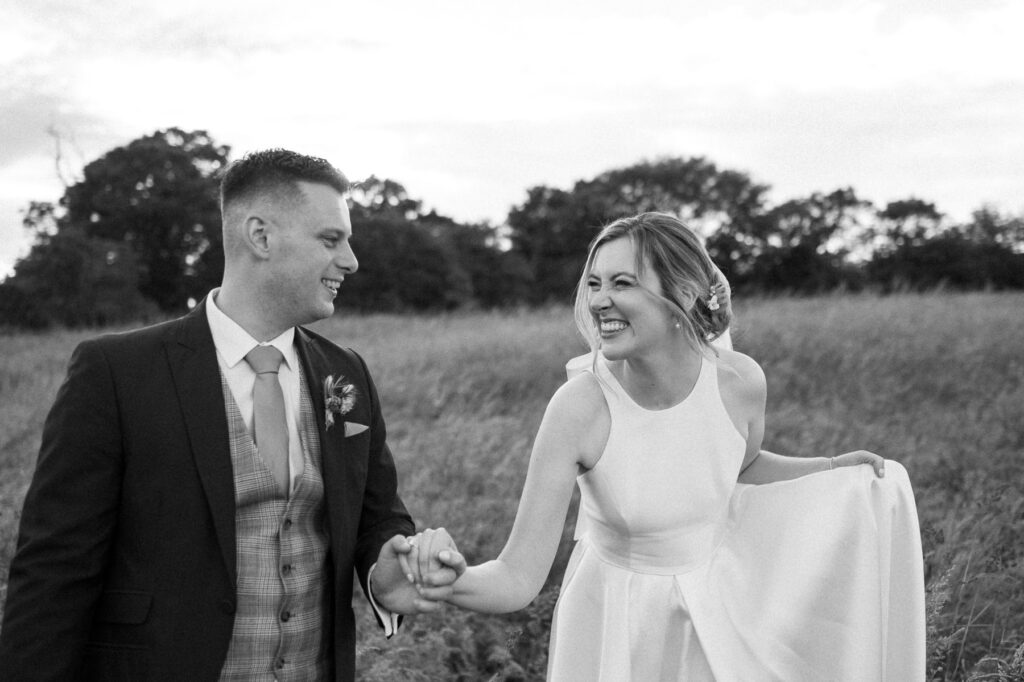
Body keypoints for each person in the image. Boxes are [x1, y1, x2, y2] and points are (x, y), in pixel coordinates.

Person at [0, 149, 460, 681]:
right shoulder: (116, 372)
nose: (351, 261)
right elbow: (54, 571)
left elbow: (378, 515)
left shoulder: (347, 374)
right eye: (331, 240)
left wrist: (386, 575)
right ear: (260, 236)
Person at [408, 212, 924, 680]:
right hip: (617, 626)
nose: (599, 300)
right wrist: (444, 582)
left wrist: (832, 468)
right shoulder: (580, 407)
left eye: (621, 283)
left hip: (717, 612)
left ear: (680, 293)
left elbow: (739, 466)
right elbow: (518, 577)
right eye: (594, 283)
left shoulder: (739, 381)